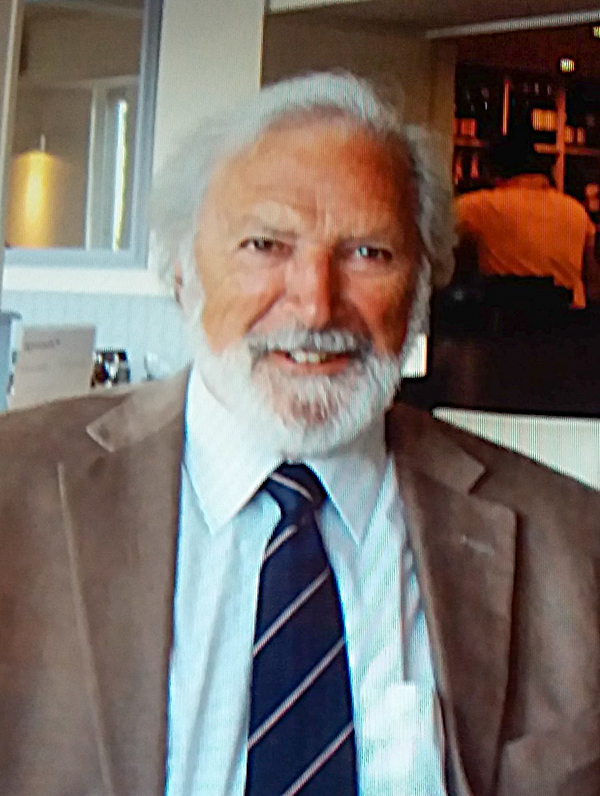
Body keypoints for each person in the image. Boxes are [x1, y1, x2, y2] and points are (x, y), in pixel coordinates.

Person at [1, 73, 600, 796]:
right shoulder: (15, 492)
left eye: (368, 253)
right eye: (264, 245)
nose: (316, 303)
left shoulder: (571, 542)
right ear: (182, 275)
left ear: (420, 292)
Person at [454, 135, 600, 308]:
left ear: (492, 173)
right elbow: (593, 286)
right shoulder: (576, 211)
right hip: (564, 320)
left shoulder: (476, 206)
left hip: (498, 319)